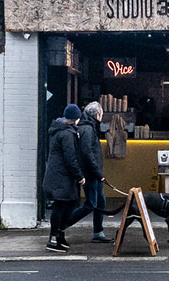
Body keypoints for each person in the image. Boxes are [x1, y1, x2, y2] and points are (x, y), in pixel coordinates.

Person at [42, 104, 86, 252]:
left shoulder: (58, 130)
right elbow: (70, 158)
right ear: (75, 118)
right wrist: (79, 176)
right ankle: (53, 239)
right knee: (61, 207)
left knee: (66, 206)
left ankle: (59, 236)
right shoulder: (67, 134)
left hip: (58, 175)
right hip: (62, 177)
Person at [70, 101, 110, 242]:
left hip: (93, 172)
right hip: (90, 173)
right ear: (97, 115)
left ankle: (98, 232)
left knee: (100, 202)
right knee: (91, 204)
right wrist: (98, 173)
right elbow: (87, 153)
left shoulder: (89, 127)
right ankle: (62, 225)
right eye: (101, 115)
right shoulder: (88, 129)